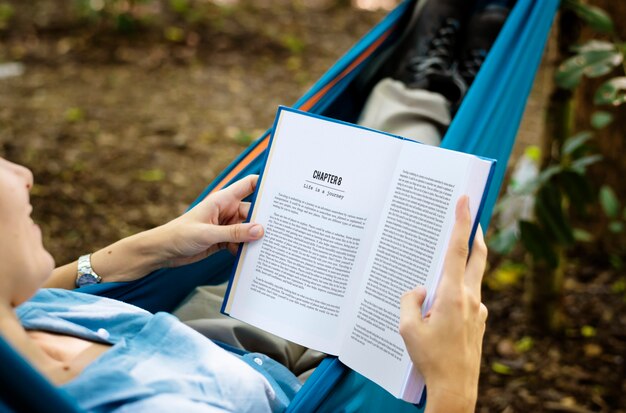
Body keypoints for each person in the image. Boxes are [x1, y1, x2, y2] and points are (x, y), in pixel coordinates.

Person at [0, 155, 488, 412]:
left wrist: (148, 247)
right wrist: (452, 388)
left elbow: (32, 291)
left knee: (367, 181)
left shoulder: (16, 322)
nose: (23, 174)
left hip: (218, 326)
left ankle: (418, 77)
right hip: (312, 386)